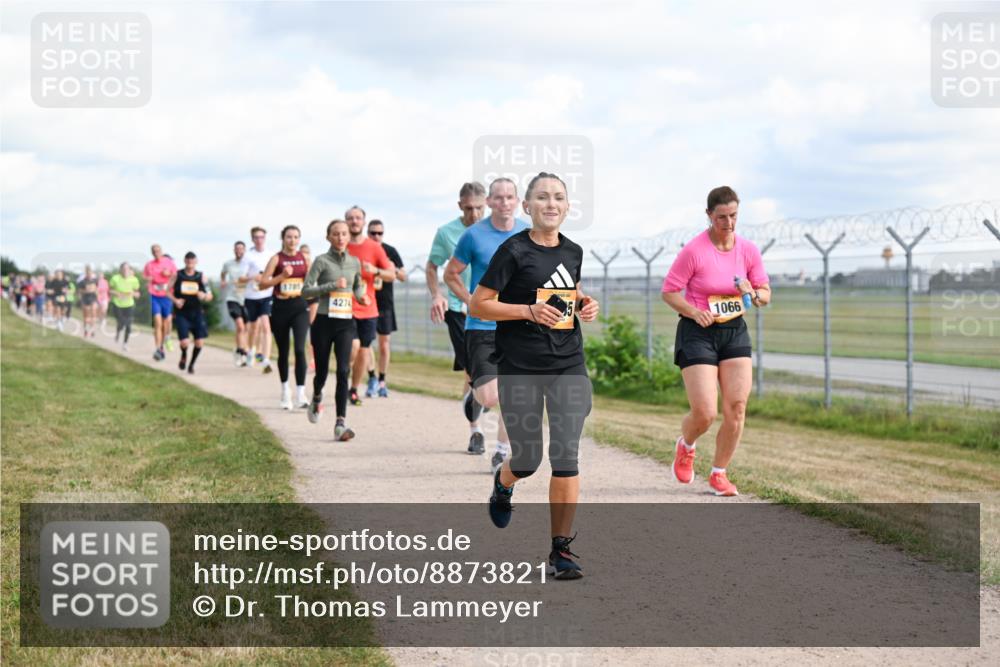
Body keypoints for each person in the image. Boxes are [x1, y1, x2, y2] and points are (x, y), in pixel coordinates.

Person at [471, 172, 599, 580]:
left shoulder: (574, 251)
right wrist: (526, 311)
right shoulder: (513, 251)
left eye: (558, 197)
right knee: (528, 459)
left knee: (566, 455)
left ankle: (560, 551)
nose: (551, 203)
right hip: (521, 366)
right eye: (542, 197)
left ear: (567, 206)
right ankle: (504, 481)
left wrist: (583, 303)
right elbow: (479, 304)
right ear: (527, 207)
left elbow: (568, 291)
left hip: (568, 364)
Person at [661, 186, 771, 497]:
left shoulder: (747, 250)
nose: (729, 222)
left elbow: (765, 292)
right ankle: (687, 445)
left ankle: (719, 473)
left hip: (733, 329)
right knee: (706, 412)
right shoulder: (695, 251)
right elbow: (669, 292)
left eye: (734, 216)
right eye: (721, 217)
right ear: (709, 215)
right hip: (698, 331)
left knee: (736, 407)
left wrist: (754, 293)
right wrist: (695, 312)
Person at [445, 178, 529, 472]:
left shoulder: (528, 234)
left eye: (510, 197)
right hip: (481, 327)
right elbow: (451, 273)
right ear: (489, 202)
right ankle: (474, 397)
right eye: (499, 198)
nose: (504, 203)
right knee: (490, 396)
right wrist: (470, 300)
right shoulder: (473, 236)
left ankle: (502, 451)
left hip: (517, 324)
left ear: (518, 201)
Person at [428, 182, 489, 454]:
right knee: (473, 369)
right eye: (468, 208)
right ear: (459, 206)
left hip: (494, 309)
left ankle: (477, 400)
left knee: (487, 371)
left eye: (479, 208)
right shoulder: (446, 233)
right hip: (459, 309)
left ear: (486, 203)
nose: (474, 214)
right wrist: (436, 295)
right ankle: (476, 431)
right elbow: (432, 266)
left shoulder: (497, 230)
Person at [302, 219, 369, 441]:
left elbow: (357, 284)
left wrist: (362, 295)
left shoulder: (354, 262)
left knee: (342, 370)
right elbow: (306, 291)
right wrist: (331, 286)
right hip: (323, 322)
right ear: (328, 237)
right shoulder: (321, 261)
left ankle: (340, 423)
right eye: (336, 234)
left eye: (344, 234)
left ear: (349, 237)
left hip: (345, 322)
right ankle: (317, 396)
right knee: (321, 372)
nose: (340, 237)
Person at [344, 206, 395, 406]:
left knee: (364, 350)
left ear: (363, 222)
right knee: (353, 349)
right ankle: (343, 379)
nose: (354, 221)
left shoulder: (374, 247)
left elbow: (391, 274)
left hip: (368, 308)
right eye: (350, 218)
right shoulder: (342, 245)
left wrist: (375, 270)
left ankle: (354, 389)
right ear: (346, 221)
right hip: (345, 308)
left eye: (358, 218)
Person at [257, 225, 311, 410]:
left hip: (299, 307)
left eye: (296, 237)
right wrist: (281, 276)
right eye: (289, 237)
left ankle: (301, 393)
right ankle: (285, 391)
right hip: (280, 308)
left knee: (299, 350)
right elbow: (262, 284)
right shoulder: (276, 259)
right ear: (283, 238)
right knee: (284, 351)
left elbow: (312, 282)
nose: (293, 241)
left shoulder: (304, 258)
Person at [366, 219, 407, 398]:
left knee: (384, 344)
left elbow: (403, 276)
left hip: (385, 303)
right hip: (366, 302)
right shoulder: (363, 249)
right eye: (372, 233)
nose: (376, 236)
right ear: (367, 233)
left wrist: (393, 270)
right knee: (365, 343)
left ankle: (382, 380)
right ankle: (371, 377)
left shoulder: (390, 251)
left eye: (379, 233)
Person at [170, 252, 213, 374]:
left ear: (196, 261)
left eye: (192, 260)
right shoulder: (177, 275)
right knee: (185, 342)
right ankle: (184, 354)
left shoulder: (201, 277)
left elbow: (210, 296)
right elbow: (167, 291)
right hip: (181, 313)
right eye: (188, 259)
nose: (190, 262)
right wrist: (175, 300)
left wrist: (204, 296)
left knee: (199, 342)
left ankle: (191, 364)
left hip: (197, 313)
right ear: (184, 260)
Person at [244, 227, 274, 373]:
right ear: (252, 239)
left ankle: (266, 359)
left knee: (266, 325)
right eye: (256, 237)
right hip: (251, 296)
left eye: (261, 237)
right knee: (253, 328)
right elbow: (240, 279)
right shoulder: (248, 256)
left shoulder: (271, 255)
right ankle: (250, 351)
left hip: (266, 295)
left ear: (265, 238)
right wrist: (253, 277)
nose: (259, 240)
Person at [143, 245, 177, 361]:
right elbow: (145, 276)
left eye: (158, 251)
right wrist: (148, 280)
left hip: (166, 296)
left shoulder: (169, 263)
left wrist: (169, 274)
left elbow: (176, 276)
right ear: (152, 253)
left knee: (166, 322)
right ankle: (158, 348)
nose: (156, 253)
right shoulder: (149, 265)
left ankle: (167, 337)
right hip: (154, 295)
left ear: (161, 251)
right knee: (158, 322)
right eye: (154, 251)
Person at [220, 241, 251, 367]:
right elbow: (223, 273)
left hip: (246, 298)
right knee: (240, 326)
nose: (239, 251)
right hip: (232, 298)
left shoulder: (249, 264)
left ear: (244, 250)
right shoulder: (228, 264)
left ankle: (240, 349)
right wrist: (223, 281)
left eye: (241, 249)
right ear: (234, 250)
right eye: (237, 249)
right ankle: (242, 352)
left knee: (246, 328)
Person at [109, 262, 141, 350]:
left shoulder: (134, 280)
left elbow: (137, 293)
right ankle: (118, 332)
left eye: (127, 269)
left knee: (129, 324)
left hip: (129, 305)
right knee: (121, 323)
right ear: (120, 270)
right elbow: (110, 290)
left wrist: (134, 294)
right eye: (123, 269)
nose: (125, 271)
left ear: (130, 270)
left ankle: (125, 344)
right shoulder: (115, 279)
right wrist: (117, 293)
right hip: (117, 304)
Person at [77, 266, 100, 338]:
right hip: (85, 299)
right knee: (86, 316)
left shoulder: (95, 280)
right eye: (88, 273)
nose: (89, 274)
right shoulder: (82, 282)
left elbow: (97, 288)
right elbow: (79, 291)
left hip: (93, 298)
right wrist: (85, 291)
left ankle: (93, 330)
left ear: (92, 273)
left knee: (93, 313)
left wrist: (96, 292)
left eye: (90, 273)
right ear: (86, 273)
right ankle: (86, 330)